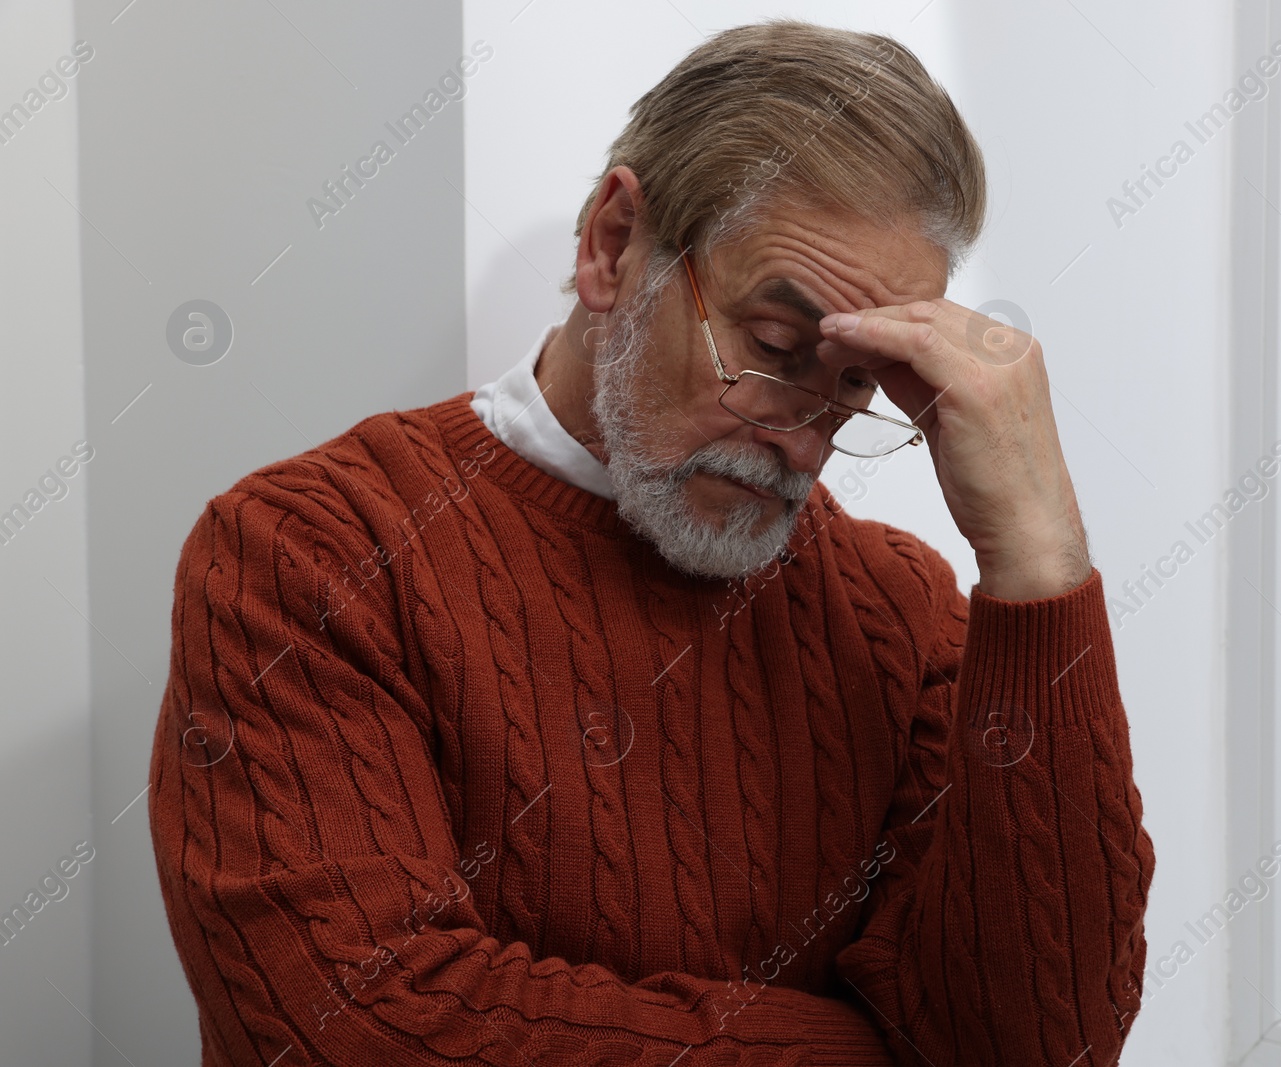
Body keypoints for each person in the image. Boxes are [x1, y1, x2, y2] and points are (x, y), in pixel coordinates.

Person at [148, 18, 1154, 1066]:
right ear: (612, 244)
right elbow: (353, 1027)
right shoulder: (305, 553)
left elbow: (1037, 1045)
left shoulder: (900, 612)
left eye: (854, 381)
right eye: (773, 348)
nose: (798, 432)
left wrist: (1038, 566)